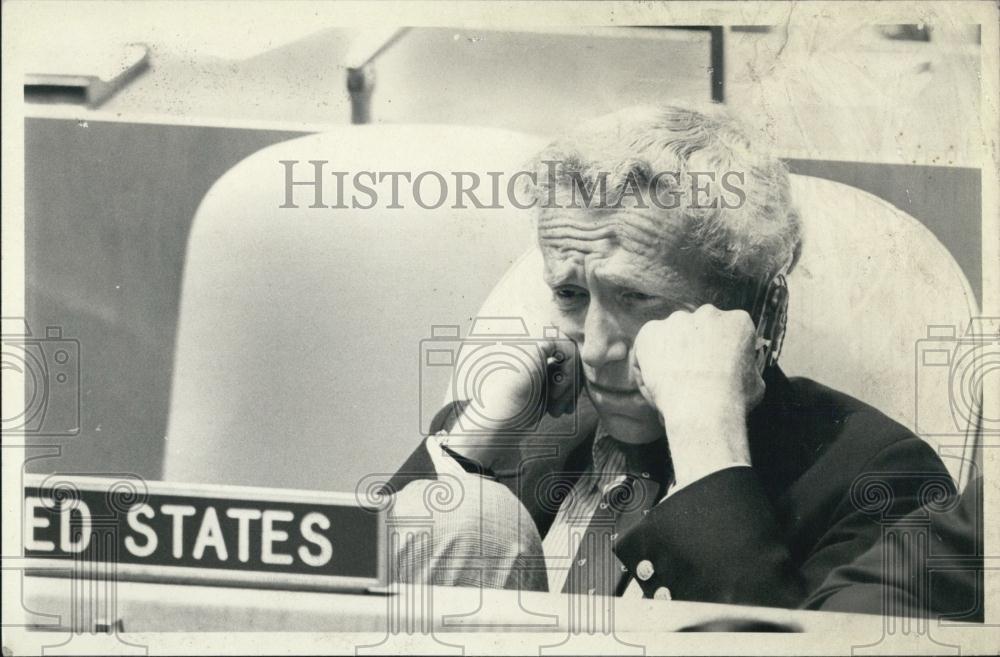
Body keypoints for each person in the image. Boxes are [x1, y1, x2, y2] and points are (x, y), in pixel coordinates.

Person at [381, 104, 959, 611]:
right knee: (463, 514)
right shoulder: (511, 431)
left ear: (757, 307)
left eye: (638, 299)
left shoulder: (875, 476)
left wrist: (707, 439)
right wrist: (470, 451)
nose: (598, 348)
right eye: (570, 295)